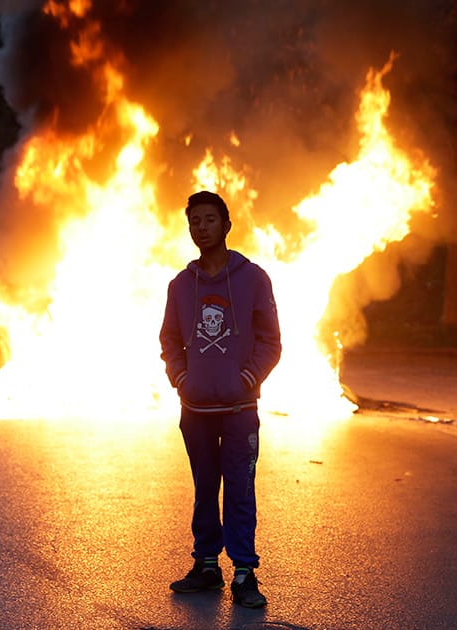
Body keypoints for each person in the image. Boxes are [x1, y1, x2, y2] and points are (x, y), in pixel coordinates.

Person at [159, 191, 281, 609]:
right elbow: (170, 341)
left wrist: (248, 378)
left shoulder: (253, 278)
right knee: (205, 488)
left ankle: (245, 573)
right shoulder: (180, 285)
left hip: (239, 410)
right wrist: (181, 379)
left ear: (227, 225)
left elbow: (270, 341)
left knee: (241, 490)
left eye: (210, 220)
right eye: (194, 220)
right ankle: (207, 566)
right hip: (195, 411)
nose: (201, 227)